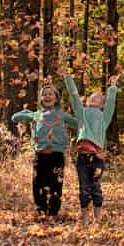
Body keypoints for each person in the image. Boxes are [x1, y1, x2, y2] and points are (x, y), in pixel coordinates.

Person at [63, 59, 120, 224]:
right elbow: (74, 97)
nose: (94, 98)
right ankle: (85, 218)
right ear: (87, 101)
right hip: (82, 157)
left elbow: (111, 102)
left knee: (95, 188)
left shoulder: (104, 117)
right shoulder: (82, 113)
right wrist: (68, 77)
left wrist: (113, 87)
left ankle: (97, 217)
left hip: (97, 159)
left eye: (98, 98)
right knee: (83, 189)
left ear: (101, 105)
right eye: (91, 97)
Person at [10, 81, 76, 220]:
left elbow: (77, 123)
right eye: (44, 94)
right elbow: (15, 118)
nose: (47, 96)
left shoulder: (62, 115)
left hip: (57, 155)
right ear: (41, 98)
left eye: (51, 94)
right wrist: (28, 113)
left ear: (56, 98)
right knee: (38, 183)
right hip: (40, 155)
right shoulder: (36, 115)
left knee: (56, 184)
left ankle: (53, 212)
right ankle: (41, 211)